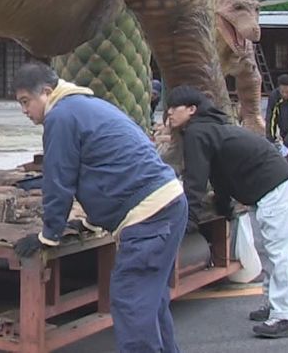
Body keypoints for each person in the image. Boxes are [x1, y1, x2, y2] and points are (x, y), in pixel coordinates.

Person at [11, 63, 187, 353]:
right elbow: (103, 167)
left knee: (131, 302)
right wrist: (93, 221)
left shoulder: (61, 117)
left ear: (46, 92)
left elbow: (59, 179)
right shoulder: (88, 106)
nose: (24, 111)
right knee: (151, 303)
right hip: (168, 203)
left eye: (25, 102)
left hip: (148, 215)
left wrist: (49, 235)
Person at [165, 86, 288, 339]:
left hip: (273, 184)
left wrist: (188, 221)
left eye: (174, 107)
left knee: (279, 252)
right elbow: (218, 174)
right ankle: (274, 305)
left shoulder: (196, 132)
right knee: (273, 250)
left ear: (191, 110)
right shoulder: (208, 128)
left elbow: (196, 181)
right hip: (269, 183)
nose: (169, 112)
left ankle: (285, 316)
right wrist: (224, 207)